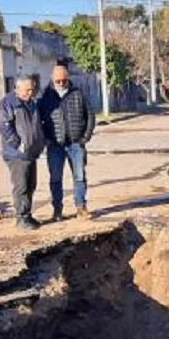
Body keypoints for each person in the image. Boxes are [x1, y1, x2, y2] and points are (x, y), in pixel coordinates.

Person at [38, 63, 95, 221]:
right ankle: (57, 210)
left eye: (64, 80)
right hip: (55, 145)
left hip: (76, 144)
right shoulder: (46, 96)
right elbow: (39, 121)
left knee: (79, 177)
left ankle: (81, 207)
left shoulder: (78, 93)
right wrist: (47, 139)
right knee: (56, 178)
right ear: (52, 79)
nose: (62, 83)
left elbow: (90, 115)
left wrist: (86, 136)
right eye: (58, 81)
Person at [0, 75, 46, 230]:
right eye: (27, 90)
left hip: (31, 153)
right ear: (17, 89)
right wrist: (18, 144)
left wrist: (40, 142)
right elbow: (3, 127)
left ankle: (27, 215)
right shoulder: (8, 103)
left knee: (31, 185)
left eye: (32, 89)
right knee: (22, 186)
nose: (30, 93)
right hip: (17, 155)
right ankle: (21, 218)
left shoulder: (32, 102)